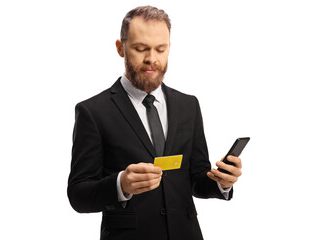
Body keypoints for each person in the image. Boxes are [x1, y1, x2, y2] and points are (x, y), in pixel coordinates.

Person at [67, 5, 242, 240]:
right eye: (141, 49)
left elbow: (195, 179)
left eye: (161, 49)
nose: (152, 59)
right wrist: (121, 185)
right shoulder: (93, 111)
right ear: (121, 48)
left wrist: (222, 182)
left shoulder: (189, 105)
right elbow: (78, 195)